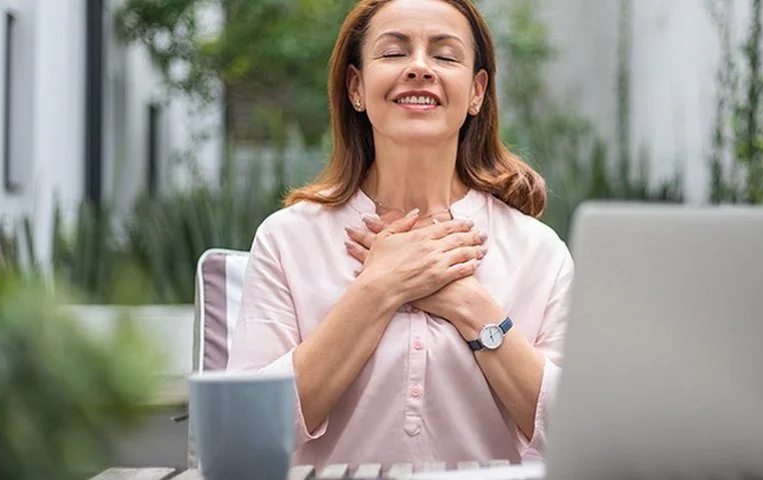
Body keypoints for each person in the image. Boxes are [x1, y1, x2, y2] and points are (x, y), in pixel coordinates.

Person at [225, 0, 574, 469]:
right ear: (356, 87)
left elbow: (576, 436)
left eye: (445, 56)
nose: (419, 68)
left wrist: (466, 304)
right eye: (393, 52)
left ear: (476, 92)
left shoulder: (539, 252)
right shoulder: (287, 240)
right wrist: (379, 289)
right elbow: (242, 436)